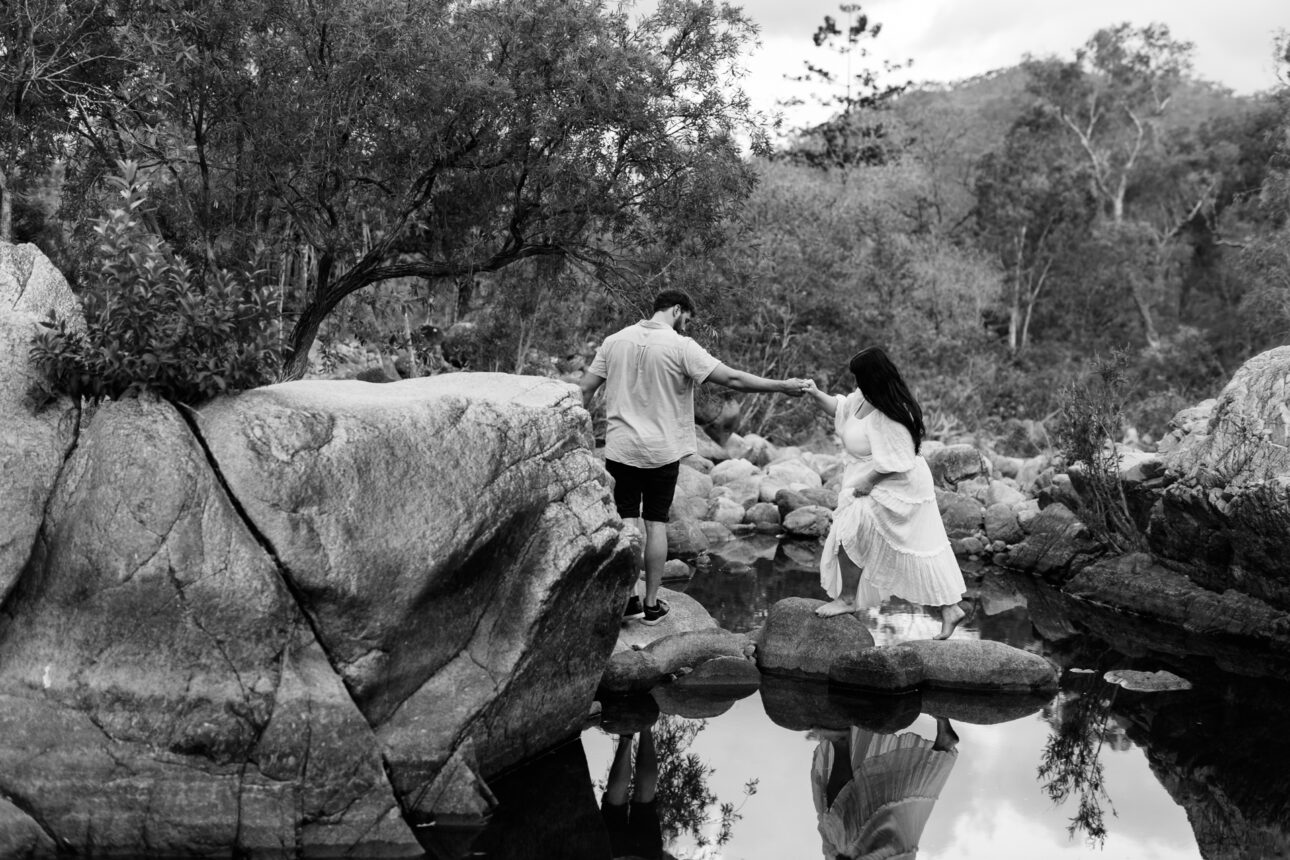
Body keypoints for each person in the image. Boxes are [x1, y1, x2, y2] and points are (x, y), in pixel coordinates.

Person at [580, 290, 809, 625]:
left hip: (621, 448)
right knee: (656, 522)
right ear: (676, 310)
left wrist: (575, 433)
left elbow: (585, 388)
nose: (685, 326)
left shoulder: (614, 341)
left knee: (628, 520)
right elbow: (732, 378)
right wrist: (780, 386)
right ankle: (652, 604)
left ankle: (628, 599)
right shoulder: (680, 346)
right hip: (661, 451)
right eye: (686, 318)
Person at [801, 347, 969, 639]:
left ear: (873, 378)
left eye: (859, 377)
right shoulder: (864, 397)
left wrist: (869, 481)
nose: (855, 382)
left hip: (898, 482)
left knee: (854, 529)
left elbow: (901, 459)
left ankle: (848, 599)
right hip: (875, 476)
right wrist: (815, 393)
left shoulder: (890, 412)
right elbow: (842, 410)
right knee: (912, 543)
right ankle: (951, 609)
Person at [812, 719, 960, 859]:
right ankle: (841, 742)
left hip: (891, 845)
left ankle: (943, 745)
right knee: (838, 830)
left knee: (837, 829)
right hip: (886, 849)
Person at [601, 728, 664, 860]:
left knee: (644, 800)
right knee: (614, 806)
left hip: (647, 854)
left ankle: (644, 725)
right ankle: (627, 736)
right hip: (615, 854)